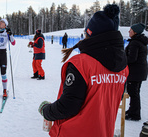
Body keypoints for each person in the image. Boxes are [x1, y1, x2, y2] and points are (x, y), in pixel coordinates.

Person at [38, 4, 128, 137]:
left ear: (90, 33)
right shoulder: (123, 67)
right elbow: (113, 99)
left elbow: (68, 106)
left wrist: (47, 111)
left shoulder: (81, 64)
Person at [125, 23, 148, 121]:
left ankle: (134, 114)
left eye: (130, 30)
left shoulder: (135, 43)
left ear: (135, 32)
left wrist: (123, 59)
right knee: (135, 92)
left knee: (133, 92)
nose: (129, 31)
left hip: (135, 72)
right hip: (140, 72)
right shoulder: (140, 42)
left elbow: (132, 58)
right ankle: (132, 111)